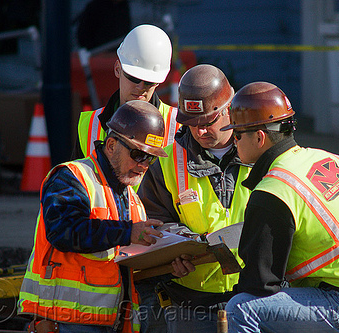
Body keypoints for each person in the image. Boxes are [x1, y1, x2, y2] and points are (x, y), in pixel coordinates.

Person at [222, 82, 339, 333]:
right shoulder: (327, 158)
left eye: (237, 134)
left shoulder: (273, 190)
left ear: (259, 137)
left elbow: (260, 284)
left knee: (240, 309)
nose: (233, 141)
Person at [18, 101, 171, 333]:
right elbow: (64, 231)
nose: (143, 166)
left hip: (111, 321)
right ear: (111, 145)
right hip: (66, 320)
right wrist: (129, 232)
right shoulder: (72, 177)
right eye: (138, 154)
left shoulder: (130, 196)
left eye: (150, 158)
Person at [137, 64, 252, 332]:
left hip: (255, 298)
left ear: (229, 107)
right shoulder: (165, 164)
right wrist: (178, 247)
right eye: (191, 124)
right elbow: (156, 221)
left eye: (207, 122)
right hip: (190, 304)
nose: (199, 132)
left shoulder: (261, 151)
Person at [73, 24, 180, 160]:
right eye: (134, 78)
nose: (140, 87)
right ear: (118, 69)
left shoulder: (178, 127)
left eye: (149, 82)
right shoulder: (89, 126)